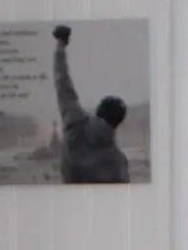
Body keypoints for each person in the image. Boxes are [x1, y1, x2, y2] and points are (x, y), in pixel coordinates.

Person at [51, 25, 132, 183]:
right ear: (118, 123)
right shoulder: (117, 161)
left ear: (98, 109)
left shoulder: (75, 124)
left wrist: (60, 45)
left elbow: (62, 81)